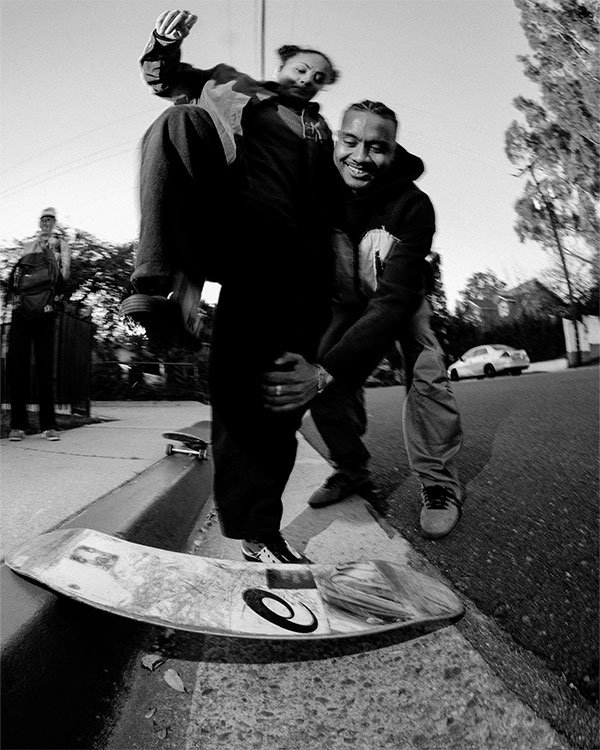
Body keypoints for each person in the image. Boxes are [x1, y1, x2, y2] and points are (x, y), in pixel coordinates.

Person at [131, 9, 342, 563]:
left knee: (266, 396)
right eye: (302, 68)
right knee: (176, 123)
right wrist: (162, 46)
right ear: (284, 63)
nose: (308, 80)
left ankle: (258, 533)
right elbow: (164, 79)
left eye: (320, 78)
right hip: (229, 227)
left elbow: (346, 202)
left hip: (290, 264)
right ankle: (157, 287)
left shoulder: (322, 132)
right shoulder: (228, 83)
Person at [262, 101, 464, 539]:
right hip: (342, 298)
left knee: (426, 370)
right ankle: (352, 469)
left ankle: (438, 483)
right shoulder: (316, 189)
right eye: (350, 142)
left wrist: (328, 371)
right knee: (318, 370)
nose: (359, 157)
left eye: (376, 147)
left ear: (393, 152)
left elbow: (392, 303)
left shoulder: (413, 206)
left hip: (401, 296)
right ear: (337, 141)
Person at [7, 207, 71, 442]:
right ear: (39, 222)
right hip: (22, 311)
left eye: (50, 220)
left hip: (45, 310)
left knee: (45, 368)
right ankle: (18, 425)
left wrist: (55, 302)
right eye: (43, 220)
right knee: (17, 367)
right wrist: (16, 302)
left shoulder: (61, 244)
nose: (46, 223)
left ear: (54, 223)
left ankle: (48, 424)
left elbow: (65, 273)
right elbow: (19, 274)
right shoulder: (29, 244)